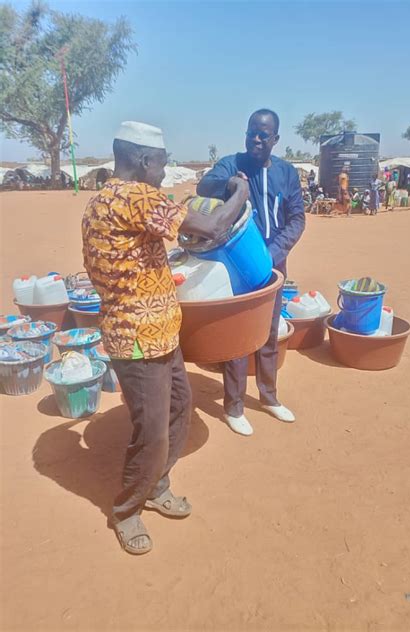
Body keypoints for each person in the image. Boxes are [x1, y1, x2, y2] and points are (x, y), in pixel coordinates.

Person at [82, 121, 249, 554]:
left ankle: (156, 485)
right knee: (152, 430)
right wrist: (240, 195)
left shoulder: (103, 199)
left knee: (179, 405)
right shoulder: (136, 195)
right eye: (161, 162)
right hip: (138, 336)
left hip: (158, 331)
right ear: (142, 160)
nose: (163, 169)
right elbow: (210, 230)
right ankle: (127, 509)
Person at [197, 109, 305, 436]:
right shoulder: (233, 164)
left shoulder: (287, 173)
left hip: (274, 266)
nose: (256, 140)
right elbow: (205, 185)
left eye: (263, 135)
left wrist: (272, 255)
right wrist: (230, 183)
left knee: (269, 333)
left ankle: (269, 397)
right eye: (251, 133)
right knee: (240, 338)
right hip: (239, 267)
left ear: (275, 139)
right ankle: (234, 407)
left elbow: (297, 219)